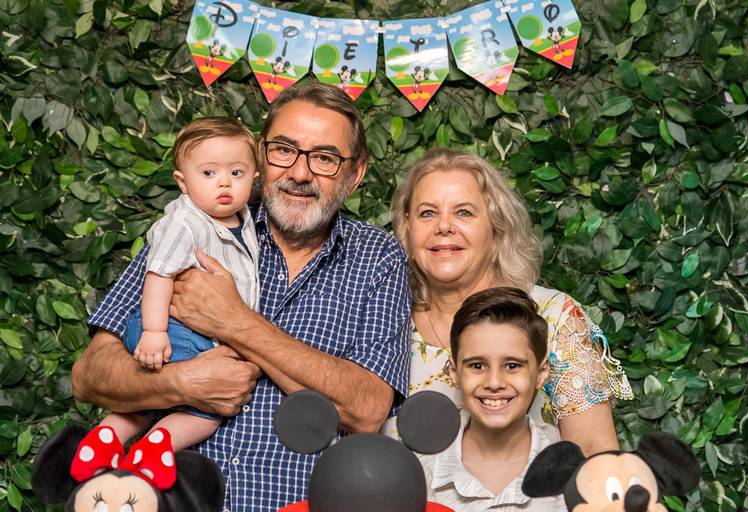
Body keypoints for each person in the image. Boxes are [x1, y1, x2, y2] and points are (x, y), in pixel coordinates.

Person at [72, 81, 411, 511]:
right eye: (284, 150)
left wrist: (234, 320)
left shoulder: (377, 256)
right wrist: (181, 382)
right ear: (260, 156)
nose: (300, 173)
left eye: (325, 158)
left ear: (355, 174)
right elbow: (90, 376)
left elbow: (367, 409)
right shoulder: (195, 225)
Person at [385, 148, 633, 455]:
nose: (444, 226)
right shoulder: (386, 321)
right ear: (407, 228)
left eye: (463, 212)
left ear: (496, 227)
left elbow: (596, 452)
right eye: (427, 213)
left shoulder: (555, 317)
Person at [96, 117, 261, 452]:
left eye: (236, 173)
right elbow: (159, 275)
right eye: (209, 173)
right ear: (182, 182)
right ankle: (153, 452)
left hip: (182, 331)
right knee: (208, 410)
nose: (224, 183)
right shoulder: (184, 223)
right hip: (173, 331)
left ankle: (103, 440)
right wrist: (154, 332)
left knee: (148, 403)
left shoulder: (242, 220)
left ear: (254, 179)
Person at [418, 287, 565, 511]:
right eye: (477, 365)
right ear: (454, 372)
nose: (494, 382)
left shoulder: (574, 477)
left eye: (512, 365)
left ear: (541, 373)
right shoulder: (419, 473)